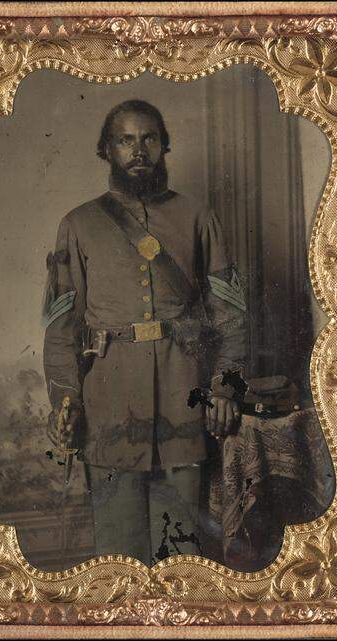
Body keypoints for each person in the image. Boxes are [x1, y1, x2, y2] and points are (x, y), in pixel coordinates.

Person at [41, 100, 247, 565]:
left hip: (183, 403)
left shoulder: (198, 218)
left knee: (181, 557)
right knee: (117, 558)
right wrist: (66, 400)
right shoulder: (78, 225)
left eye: (149, 138)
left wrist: (223, 387)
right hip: (109, 408)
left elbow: (231, 316)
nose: (139, 150)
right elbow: (60, 332)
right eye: (125, 140)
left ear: (164, 145)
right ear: (106, 150)